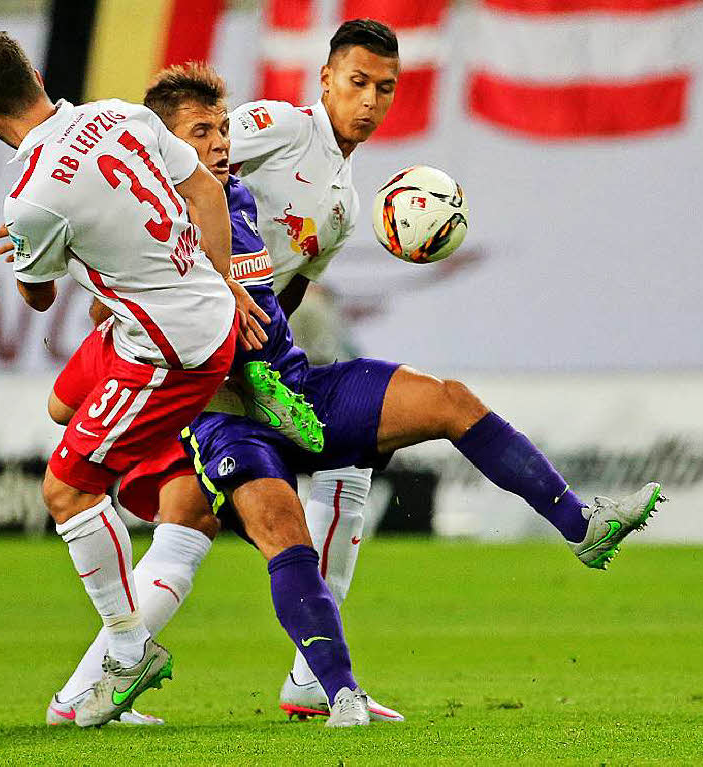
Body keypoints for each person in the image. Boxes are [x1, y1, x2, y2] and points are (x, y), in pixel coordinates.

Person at [43, 61, 666, 729]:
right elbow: (131, 316)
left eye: (224, 128)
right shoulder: (165, 220)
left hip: (295, 382)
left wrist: (266, 355)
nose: (224, 141)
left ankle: (583, 526)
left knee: (447, 401)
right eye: (204, 132)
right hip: (226, 415)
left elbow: (274, 291)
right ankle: (328, 690)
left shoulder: (238, 199)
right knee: (278, 536)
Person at [0, 28, 267, 727]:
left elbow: (38, 296)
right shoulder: (122, 114)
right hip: (182, 321)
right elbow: (206, 195)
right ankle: (92, 695)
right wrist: (221, 283)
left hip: (168, 348)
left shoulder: (29, 200)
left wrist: (31, 250)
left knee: (66, 488)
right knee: (65, 411)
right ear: (35, 73)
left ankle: (129, 648)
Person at [225, 18, 402, 719]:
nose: (369, 101)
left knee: (349, 458)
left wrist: (269, 340)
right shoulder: (278, 125)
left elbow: (292, 285)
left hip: (249, 348)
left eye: (384, 89)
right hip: (192, 330)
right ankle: (100, 674)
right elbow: (184, 167)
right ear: (324, 78)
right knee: (178, 514)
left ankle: (310, 672)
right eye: (357, 82)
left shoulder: (346, 200)